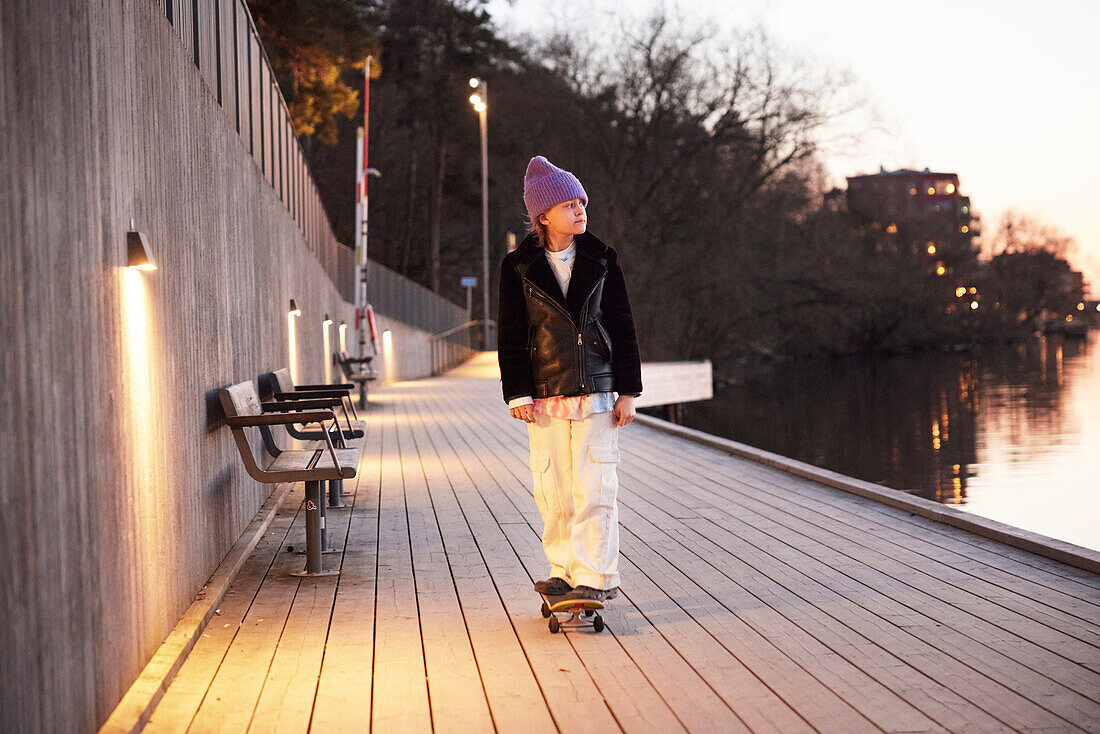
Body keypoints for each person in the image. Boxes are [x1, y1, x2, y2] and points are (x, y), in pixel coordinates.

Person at [497, 155, 643, 602]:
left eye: (582, 201)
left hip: (597, 392)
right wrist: (516, 391)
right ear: (544, 215)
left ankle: (595, 577)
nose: (580, 209)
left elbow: (622, 325)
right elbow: (512, 333)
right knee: (554, 491)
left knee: (595, 487)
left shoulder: (602, 260)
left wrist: (628, 391)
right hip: (544, 395)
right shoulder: (517, 267)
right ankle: (562, 570)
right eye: (569, 204)